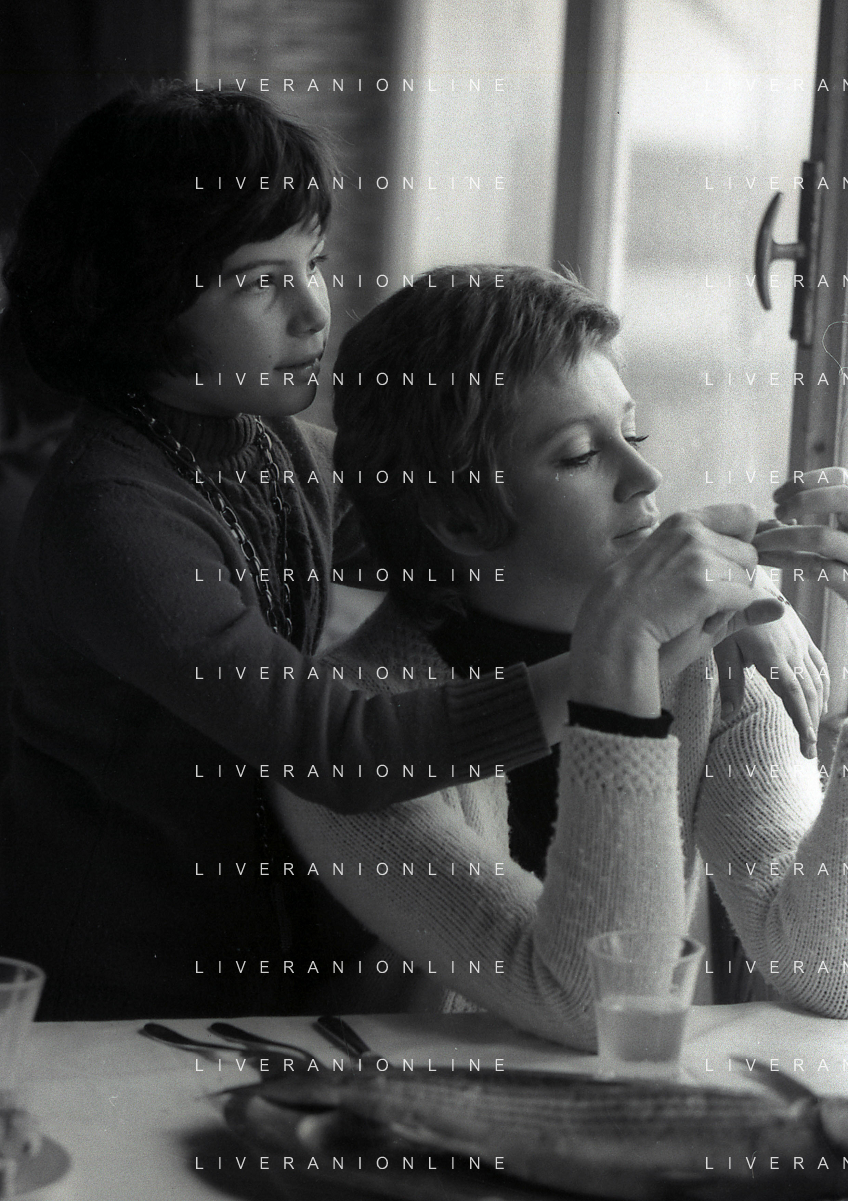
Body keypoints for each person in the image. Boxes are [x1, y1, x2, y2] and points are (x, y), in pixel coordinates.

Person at [274, 266, 848, 1048]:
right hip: (396, 1115)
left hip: (631, 1116)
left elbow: (827, 969)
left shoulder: (715, 665)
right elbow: (599, 1005)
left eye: (633, 433)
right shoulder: (343, 734)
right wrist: (620, 664)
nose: (646, 476)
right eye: (580, 456)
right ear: (459, 519)